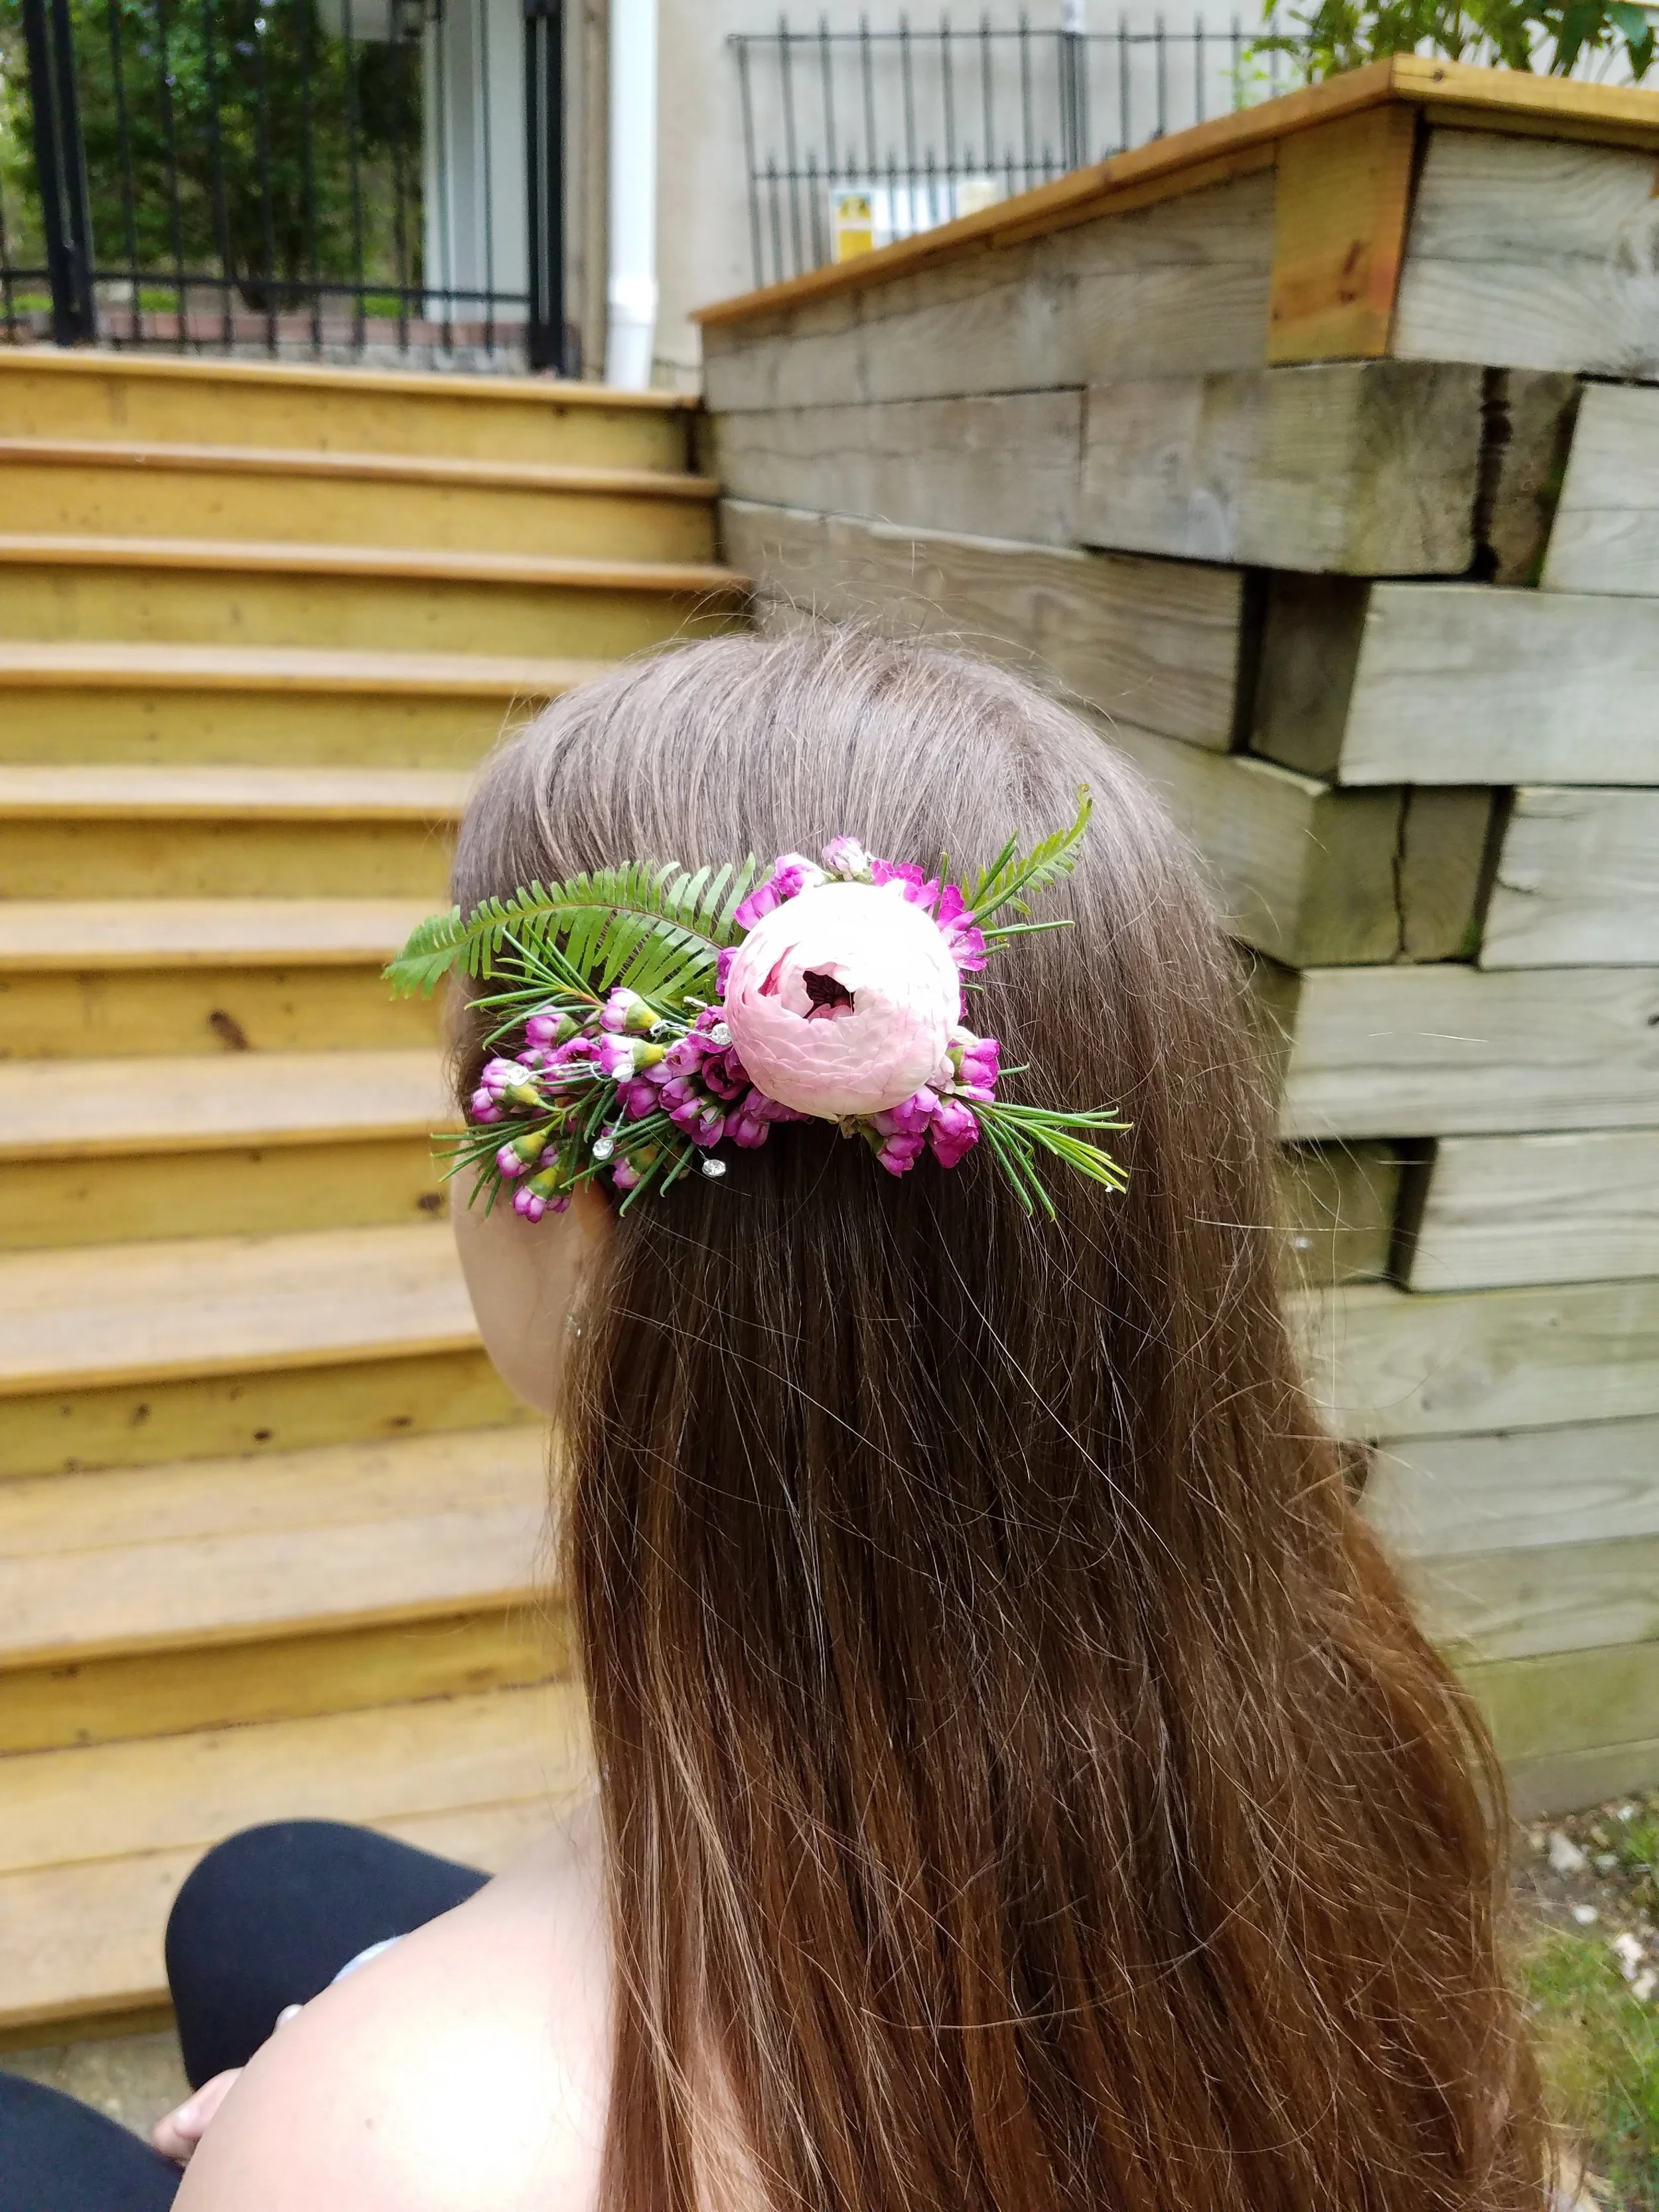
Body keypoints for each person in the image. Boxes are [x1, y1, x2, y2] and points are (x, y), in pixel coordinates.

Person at [0, 630, 1546, 2212]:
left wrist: (346, 2128)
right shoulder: (1329, 1702)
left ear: (588, 1231)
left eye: (466, 1124)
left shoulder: (388, 2146)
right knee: (263, 1892)